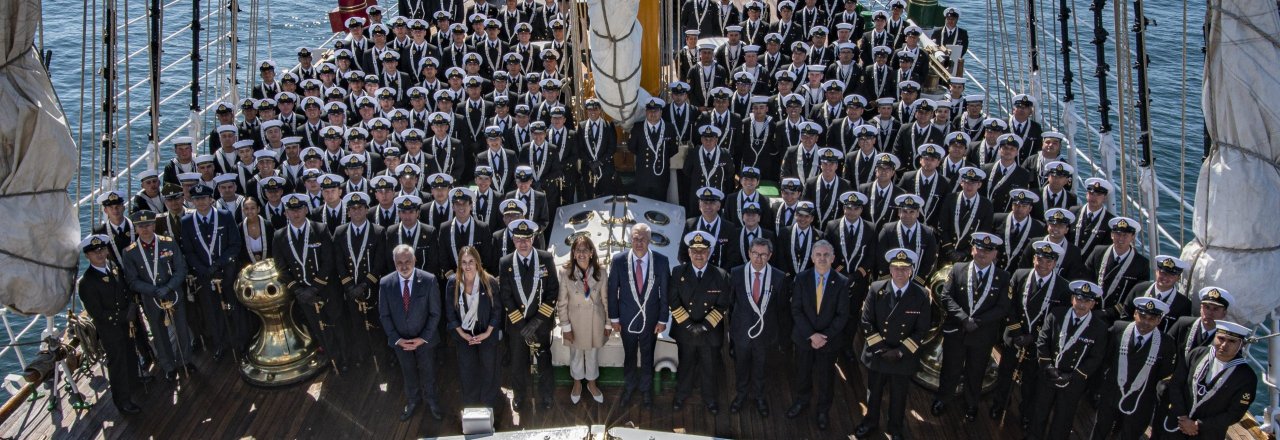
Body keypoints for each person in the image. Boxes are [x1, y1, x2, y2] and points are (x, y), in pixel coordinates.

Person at [989, 240, 1072, 424]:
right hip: (1014, 337)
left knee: (1030, 382)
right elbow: (1008, 305)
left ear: (1055, 263)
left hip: (1038, 344)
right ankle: (999, 404)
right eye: (1040, 260)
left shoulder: (1063, 288)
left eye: (1048, 261)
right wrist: (1017, 332)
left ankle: (1026, 413)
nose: (1043, 265)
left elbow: (1059, 321)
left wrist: (1033, 337)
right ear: (1034, 258)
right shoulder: (1020, 275)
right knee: (1005, 375)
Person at [932, 232, 1011, 421]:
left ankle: (971, 403)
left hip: (982, 334)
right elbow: (946, 296)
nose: (982, 254)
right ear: (972, 250)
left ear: (995, 254)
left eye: (988, 251)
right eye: (979, 249)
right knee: (950, 368)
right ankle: (943, 398)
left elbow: (1002, 307)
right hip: (957, 330)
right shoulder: (958, 269)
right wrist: (963, 318)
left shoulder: (1002, 277)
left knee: (976, 371)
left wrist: (978, 322)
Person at [856, 248, 932, 439]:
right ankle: (870, 422)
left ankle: (895, 427)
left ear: (911, 271)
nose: (900, 272)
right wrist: (882, 350)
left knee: (899, 396)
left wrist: (899, 352)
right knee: (873, 393)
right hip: (879, 353)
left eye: (905, 268)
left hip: (903, 356)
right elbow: (866, 322)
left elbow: (921, 330)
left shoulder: (921, 295)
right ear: (890, 269)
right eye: (896, 268)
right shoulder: (876, 289)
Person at [271, 194, 348, 371]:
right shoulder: (279, 236)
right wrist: (298, 291)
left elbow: (329, 261)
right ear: (285, 213)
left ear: (306, 210)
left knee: (336, 323)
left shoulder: (320, 229)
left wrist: (314, 288)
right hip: (303, 293)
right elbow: (281, 268)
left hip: (326, 289)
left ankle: (344, 357)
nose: (296, 213)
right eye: (291, 210)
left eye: (299, 209)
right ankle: (332, 357)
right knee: (318, 327)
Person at [1026, 281, 1109, 440]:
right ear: (1072, 299)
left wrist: (1074, 376)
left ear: (1093, 304)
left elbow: (1096, 357)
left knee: (1063, 418)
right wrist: (1047, 366)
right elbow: (1042, 341)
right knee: (1039, 411)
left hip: (1073, 380)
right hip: (1049, 375)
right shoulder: (1056, 314)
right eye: (1079, 299)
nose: (1081, 304)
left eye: (1087, 301)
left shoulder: (1099, 327)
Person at [119, 210, 193, 381]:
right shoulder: (130, 252)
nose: (145, 229)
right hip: (151, 298)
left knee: (182, 328)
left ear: (154, 225)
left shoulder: (169, 243)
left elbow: (181, 269)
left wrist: (168, 287)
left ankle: (186, 360)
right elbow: (132, 280)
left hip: (173, 293)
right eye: (140, 226)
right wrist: (152, 290)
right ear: (135, 228)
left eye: (148, 225)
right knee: (159, 333)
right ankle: (168, 366)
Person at [77, 234, 146, 415]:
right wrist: (124, 315)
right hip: (111, 329)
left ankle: (134, 381)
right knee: (118, 363)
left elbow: (124, 290)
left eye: (102, 249)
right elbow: (97, 313)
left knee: (130, 353)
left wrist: (131, 305)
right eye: (95, 252)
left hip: (126, 323)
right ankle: (122, 400)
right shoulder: (87, 282)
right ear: (87, 256)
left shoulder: (113, 267)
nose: (100, 254)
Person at [1090, 297, 1177, 440]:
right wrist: (1098, 388)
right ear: (1135, 314)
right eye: (1142, 316)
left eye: (1151, 318)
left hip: (1140, 400)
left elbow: (1164, 374)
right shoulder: (1118, 329)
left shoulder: (1166, 343)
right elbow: (1105, 360)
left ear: (1159, 320)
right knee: (1100, 431)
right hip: (1111, 394)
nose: (1146, 322)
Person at [785, 240, 850, 430]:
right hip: (804, 338)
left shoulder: (842, 282)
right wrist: (812, 335)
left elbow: (842, 315)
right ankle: (802, 401)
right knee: (802, 373)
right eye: (818, 255)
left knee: (826, 378)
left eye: (826, 255)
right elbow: (796, 310)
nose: (822, 258)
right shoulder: (801, 278)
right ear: (812, 258)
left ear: (833, 258)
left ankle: (823, 410)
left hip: (829, 341)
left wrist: (823, 337)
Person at [498, 219, 560, 410]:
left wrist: (536, 322)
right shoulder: (506, 262)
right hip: (518, 326)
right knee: (518, 362)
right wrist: (523, 326)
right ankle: (519, 396)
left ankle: (546, 395)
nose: (523, 243)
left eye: (526, 239)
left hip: (540, 323)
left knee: (544, 361)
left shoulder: (545, 259)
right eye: (518, 239)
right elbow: (506, 297)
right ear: (513, 240)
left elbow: (553, 292)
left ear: (533, 239)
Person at [669, 231, 733, 414]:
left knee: (709, 367)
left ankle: (710, 398)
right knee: (685, 365)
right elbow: (673, 301)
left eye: (703, 251)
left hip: (709, 332)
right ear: (689, 252)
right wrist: (689, 325)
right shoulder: (678, 272)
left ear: (709, 252)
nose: (698, 255)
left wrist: (704, 326)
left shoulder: (721, 275)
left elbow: (722, 305)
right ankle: (681, 395)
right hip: (685, 330)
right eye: (695, 251)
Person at [608, 223, 670, 407]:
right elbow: (612, 292)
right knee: (629, 356)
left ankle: (646, 390)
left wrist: (663, 319)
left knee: (647, 355)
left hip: (651, 319)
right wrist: (614, 319)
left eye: (643, 239)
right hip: (626, 319)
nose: (639, 243)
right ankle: (629, 387)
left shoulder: (661, 261)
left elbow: (665, 293)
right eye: (635, 238)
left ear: (649, 240)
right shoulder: (618, 261)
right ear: (631, 239)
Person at [179, 184, 244, 361]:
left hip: (226, 272)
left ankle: (239, 342)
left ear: (211, 199)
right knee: (212, 311)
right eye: (197, 199)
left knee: (233, 307)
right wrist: (203, 270)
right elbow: (188, 251)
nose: (201, 202)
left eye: (203, 198)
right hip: (204, 276)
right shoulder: (187, 222)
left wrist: (219, 265)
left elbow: (235, 244)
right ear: (192, 201)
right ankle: (220, 343)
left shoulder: (224, 216)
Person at [380, 244, 444, 422]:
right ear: (394, 263)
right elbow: (384, 315)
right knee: (408, 372)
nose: (404, 266)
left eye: (407, 261)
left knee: (428, 371)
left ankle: (432, 401)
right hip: (401, 342)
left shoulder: (429, 280)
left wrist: (423, 338)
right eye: (399, 263)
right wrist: (397, 339)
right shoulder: (386, 284)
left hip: (425, 340)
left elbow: (435, 313)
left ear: (415, 260)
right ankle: (413, 401)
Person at [1162, 320, 1257, 440]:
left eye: (1232, 341)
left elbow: (1235, 413)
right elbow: (1176, 384)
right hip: (1178, 423)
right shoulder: (1196, 354)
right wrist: (1182, 416)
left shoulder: (1246, 377)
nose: (1224, 345)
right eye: (1221, 338)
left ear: (1241, 344)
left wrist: (1198, 425)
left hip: (1209, 433)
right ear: (1215, 337)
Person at [555, 234, 611, 405]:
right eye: (577, 250)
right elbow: (562, 303)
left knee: (593, 354)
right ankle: (577, 383)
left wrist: (608, 323)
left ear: (591, 252)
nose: (581, 254)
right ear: (573, 253)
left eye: (585, 250)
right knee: (576, 354)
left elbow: (606, 300)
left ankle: (592, 384)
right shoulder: (565, 273)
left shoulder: (601, 272)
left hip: (595, 321)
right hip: (575, 322)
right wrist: (565, 327)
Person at [445, 246, 502, 408]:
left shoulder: (489, 281)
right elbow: (450, 312)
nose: (468, 266)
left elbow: (497, 311)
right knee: (467, 369)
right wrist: (463, 334)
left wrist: (487, 333)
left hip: (486, 333)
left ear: (477, 262)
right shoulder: (453, 283)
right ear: (459, 264)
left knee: (489, 368)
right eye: (464, 262)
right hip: (464, 335)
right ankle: (470, 403)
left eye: (471, 261)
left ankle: (489, 402)